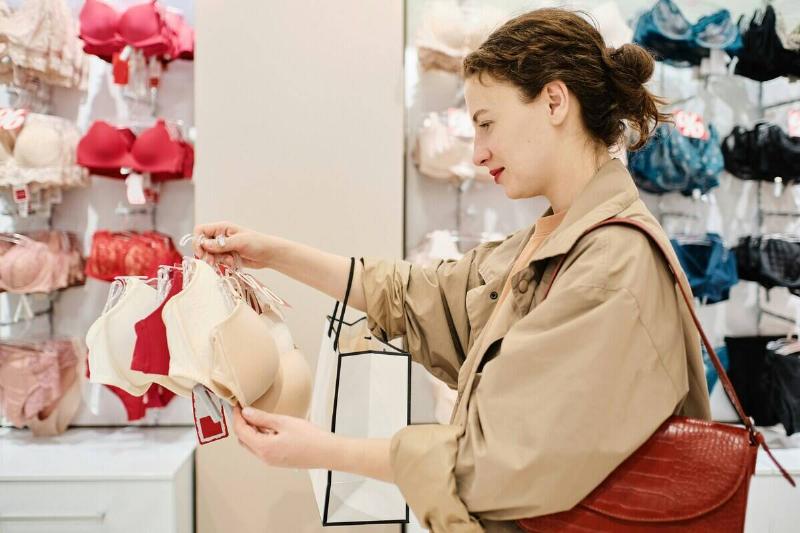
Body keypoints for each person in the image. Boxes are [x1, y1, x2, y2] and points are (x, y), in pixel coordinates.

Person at [193, 8, 711, 533]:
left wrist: (325, 450)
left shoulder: (612, 265)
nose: (479, 152)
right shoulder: (553, 239)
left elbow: (502, 459)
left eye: (487, 123)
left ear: (554, 101)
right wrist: (271, 253)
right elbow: (425, 295)